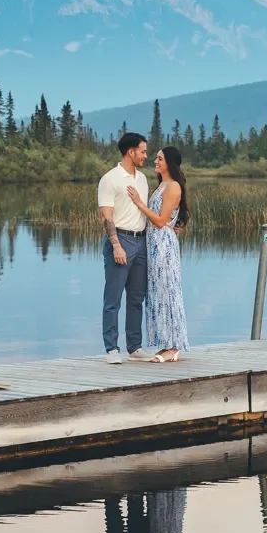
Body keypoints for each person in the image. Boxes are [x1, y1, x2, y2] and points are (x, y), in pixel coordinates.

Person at [128, 145, 188, 362]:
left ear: (169, 162)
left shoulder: (172, 187)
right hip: (153, 245)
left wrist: (138, 203)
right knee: (157, 293)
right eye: (156, 157)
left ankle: (174, 347)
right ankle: (165, 344)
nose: (155, 161)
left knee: (168, 291)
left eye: (160, 158)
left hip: (163, 245)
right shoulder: (161, 185)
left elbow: (161, 221)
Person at [98, 132, 151, 363]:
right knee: (113, 299)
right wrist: (116, 246)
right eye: (143, 151)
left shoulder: (143, 179)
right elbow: (106, 217)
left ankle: (135, 347)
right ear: (131, 152)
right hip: (120, 241)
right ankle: (111, 349)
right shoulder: (110, 179)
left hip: (141, 241)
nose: (145, 156)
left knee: (136, 298)